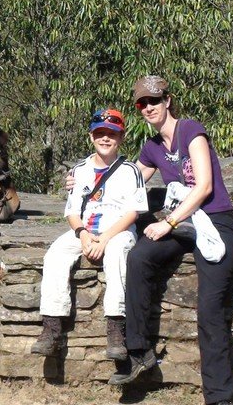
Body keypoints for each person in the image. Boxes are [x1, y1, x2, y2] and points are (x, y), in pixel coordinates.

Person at [107, 75, 233, 405]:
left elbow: (204, 187)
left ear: (168, 100)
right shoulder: (152, 147)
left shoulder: (191, 131)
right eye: (141, 104)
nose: (148, 107)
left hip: (214, 221)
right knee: (138, 258)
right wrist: (86, 178)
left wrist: (167, 223)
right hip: (183, 225)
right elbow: (128, 179)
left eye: (154, 100)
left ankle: (223, 404)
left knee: (210, 312)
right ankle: (140, 353)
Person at [31, 109, 148, 360]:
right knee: (55, 255)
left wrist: (105, 238)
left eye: (112, 134)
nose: (105, 139)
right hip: (85, 229)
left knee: (117, 255)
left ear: (121, 138)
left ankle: (116, 328)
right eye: (100, 133)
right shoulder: (79, 170)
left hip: (118, 231)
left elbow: (133, 213)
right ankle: (51, 328)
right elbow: (72, 212)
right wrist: (83, 234)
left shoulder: (130, 171)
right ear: (91, 136)